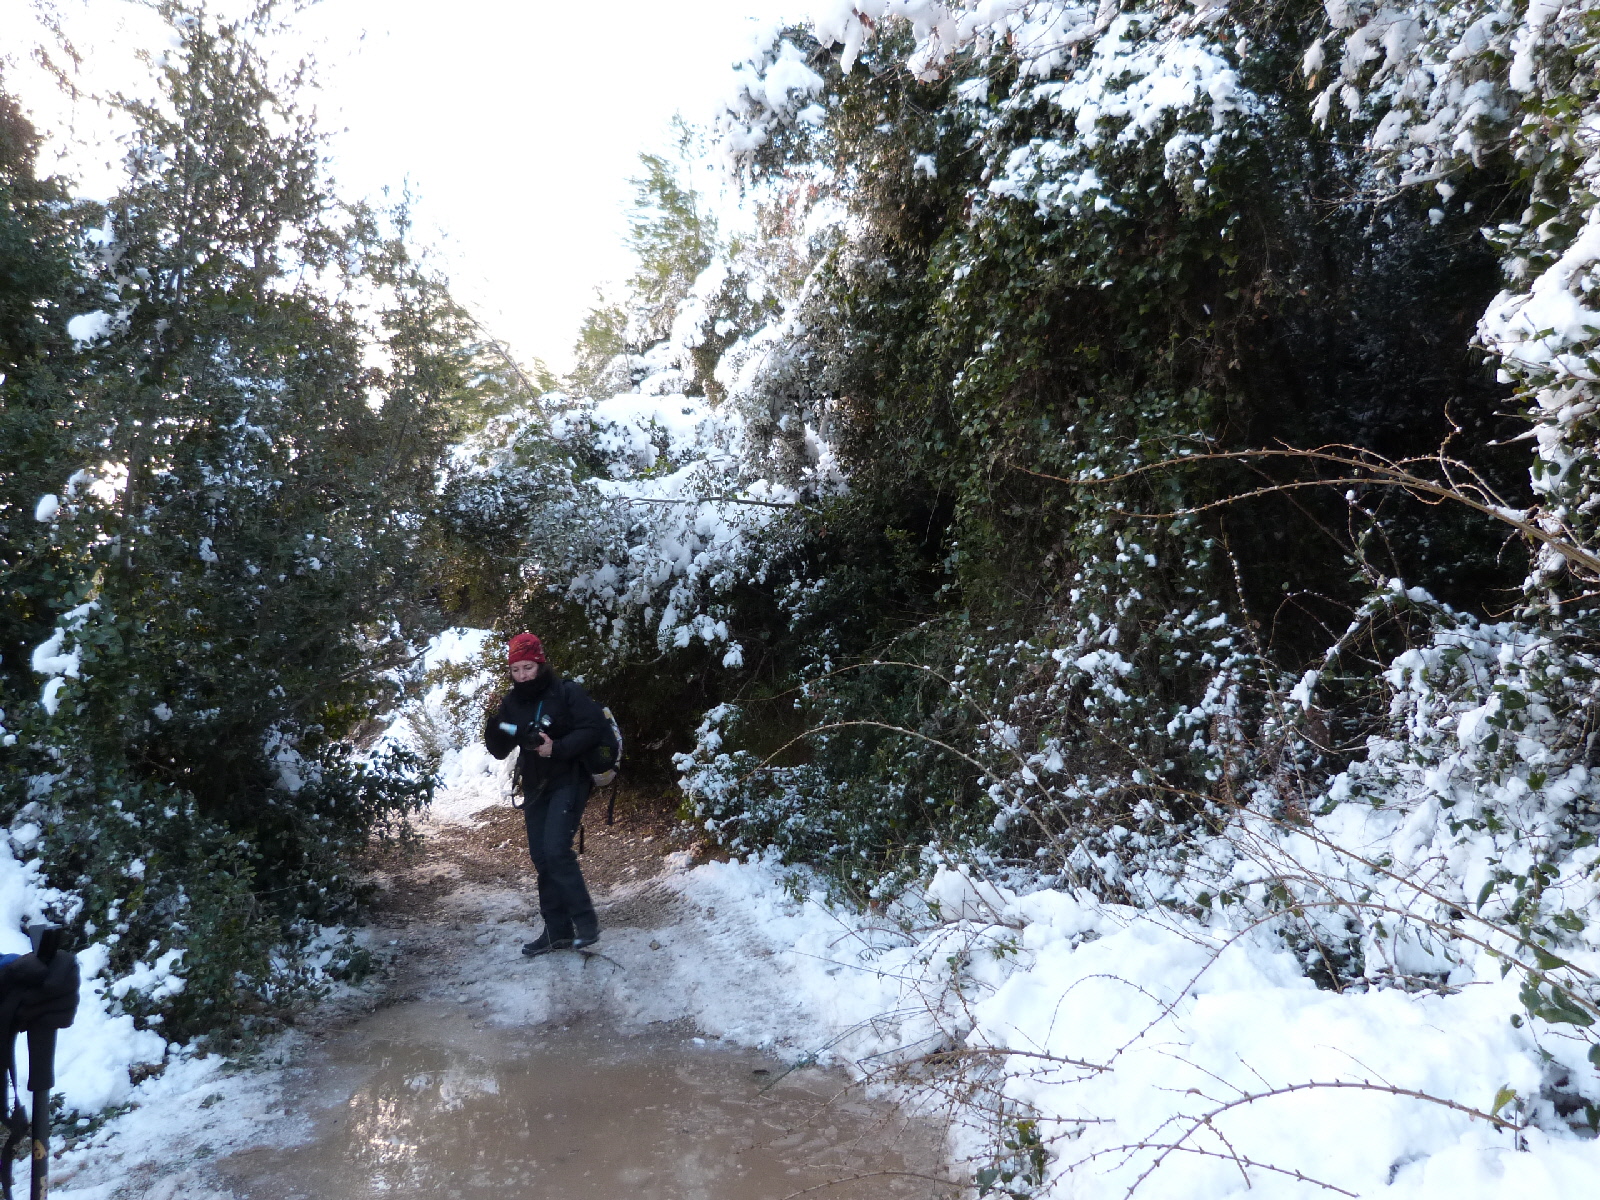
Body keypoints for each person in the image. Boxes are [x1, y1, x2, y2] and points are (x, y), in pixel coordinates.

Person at [484, 632, 608, 956]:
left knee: (555, 850)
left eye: (528, 667)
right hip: (535, 785)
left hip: (570, 779)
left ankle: (586, 923)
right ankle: (557, 930)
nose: (523, 675)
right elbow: (499, 749)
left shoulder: (565, 692)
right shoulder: (511, 703)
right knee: (541, 857)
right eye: (516, 670)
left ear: (539, 663)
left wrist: (557, 748)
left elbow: (593, 729)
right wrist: (494, 722)